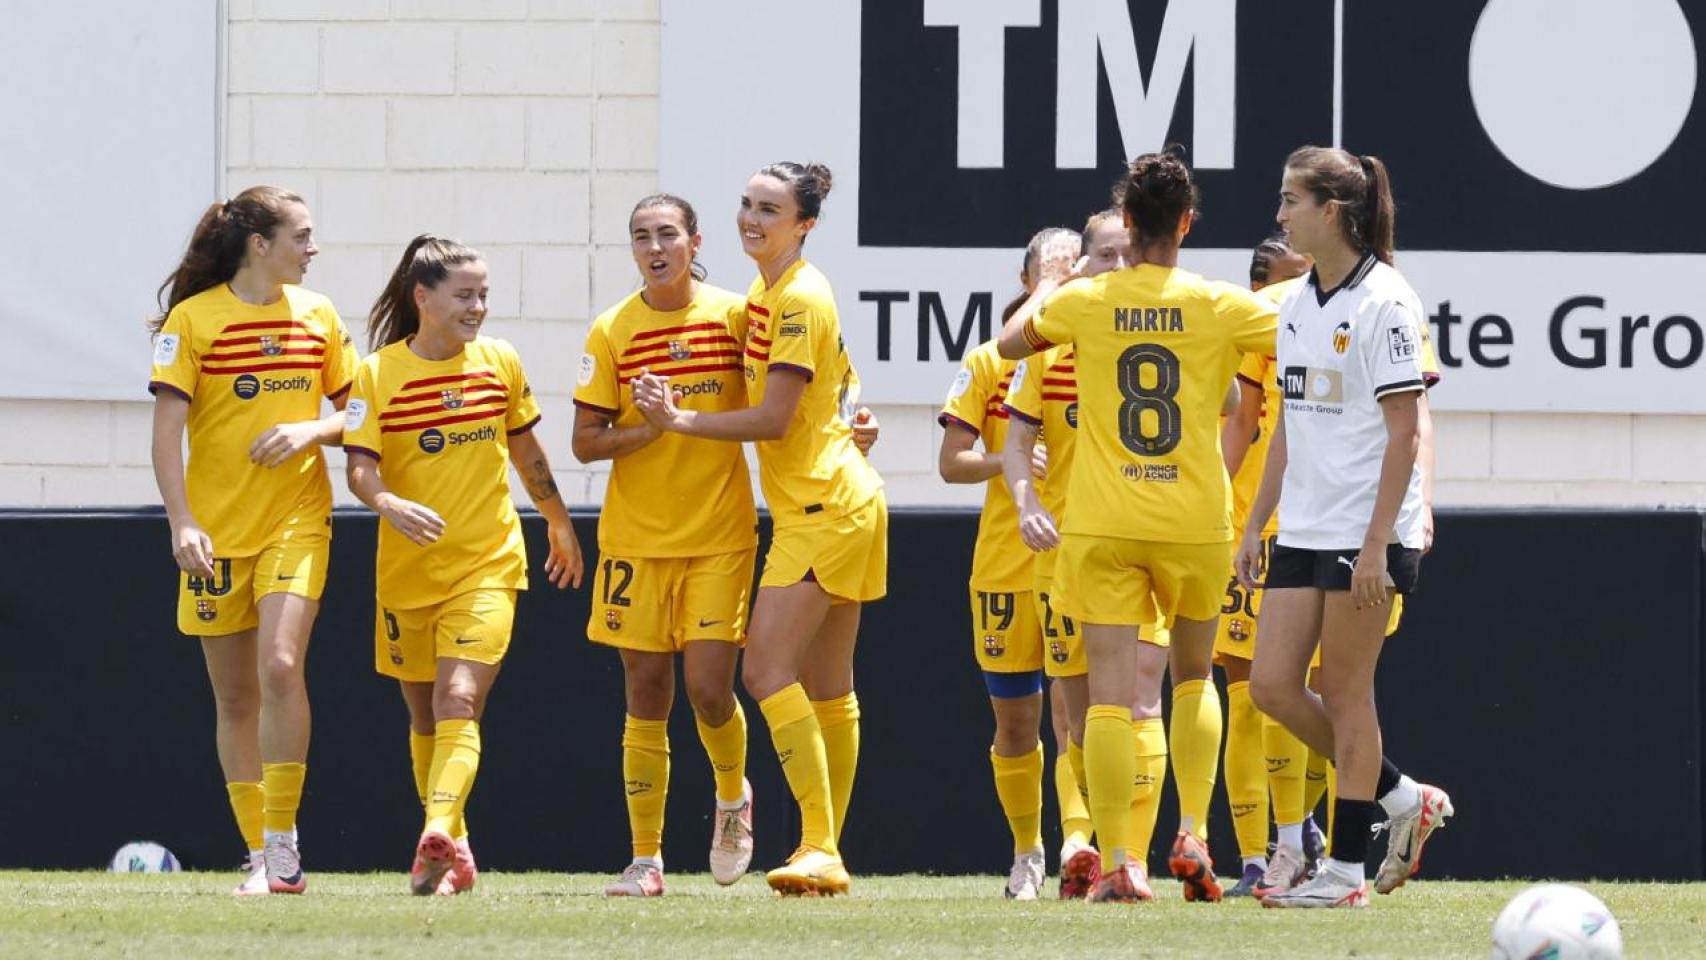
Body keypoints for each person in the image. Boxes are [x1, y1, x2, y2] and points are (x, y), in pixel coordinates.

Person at [998, 150, 1278, 903]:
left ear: (1126, 220)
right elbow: (1301, 333)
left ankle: (1122, 858)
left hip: (1103, 522)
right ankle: (1193, 826)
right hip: (1194, 520)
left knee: (1111, 701)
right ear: (1188, 222)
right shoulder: (1222, 304)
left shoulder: (1088, 304)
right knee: (1194, 678)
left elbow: (1009, 344)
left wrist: (1055, 279)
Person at [634, 162, 885, 897]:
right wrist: (852, 422)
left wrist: (680, 419)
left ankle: (820, 844)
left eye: (770, 209)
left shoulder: (800, 294)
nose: (753, 218)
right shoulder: (766, 292)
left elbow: (776, 417)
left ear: (804, 223)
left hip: (824, 510)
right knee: (829, 688)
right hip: (838, 500)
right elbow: (841, 384)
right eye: (746, 204)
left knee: (765, 672)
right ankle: (826, 845)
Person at [1239, 146, 1453, 909]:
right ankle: (1400, 797)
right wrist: (1255, 523)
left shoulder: (1387, 302)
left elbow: (1405, 433)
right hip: (1303, 524)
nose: (1280, 213)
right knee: (1270, 686)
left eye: (1291, 199)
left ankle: (1347, 876)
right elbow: (1289, 425)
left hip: (1368, 532)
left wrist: (1375, 546)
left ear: (1332, 210)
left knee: (1346, 690)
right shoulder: (1295, 302)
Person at [344, 235, 585, 896]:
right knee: (425, 718)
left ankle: (437, 832)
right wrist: (387, 501)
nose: (478, 307)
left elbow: (526, 450)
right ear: (423, 298)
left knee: (460, 700)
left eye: (484, 295)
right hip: (407, 574)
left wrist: (559, 521)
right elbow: (359, 467)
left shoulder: (500, 362)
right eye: (465, 295)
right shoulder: (376, 373)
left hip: (488, 563)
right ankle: (460, 849)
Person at [148, 185, 355, 896]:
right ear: (259, 245)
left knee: (279, 663)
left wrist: (312, 429)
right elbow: (167, 435)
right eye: (301, 235)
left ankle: (284, 843)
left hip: (296, 519)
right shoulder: (192, 320)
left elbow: (360, 410)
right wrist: (183, 522)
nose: (313, 248)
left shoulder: (319, 316)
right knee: (235, 699)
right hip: (215, 534)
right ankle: (258, 854)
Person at [572, 193, 760, 898]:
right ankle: (646, 858)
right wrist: (651, 428)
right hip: (634, 541)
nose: (655, 248)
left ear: (693, 241)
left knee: (710, 690)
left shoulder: (734, 315)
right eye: (642, 237)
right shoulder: (613, 329)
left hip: (717, 533)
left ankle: (733, 800)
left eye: (668, 235)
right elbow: (585, 442)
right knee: (646, 692)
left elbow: (779, 404)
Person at [1000, 209, 1142, 900]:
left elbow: (1227, 406)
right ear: (1083, 267)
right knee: (1075, 716)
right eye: (1103, 257)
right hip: (1065, 555)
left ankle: (1133, 853)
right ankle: (1080, 838)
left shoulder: (1160, 338)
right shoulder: (1052, 350)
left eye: (1126, 255)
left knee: (1140, 699)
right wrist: (1027, 503)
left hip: (1144, 547)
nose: (1115, 268)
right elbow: (1016, 442)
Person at [937, 226, 1079, 900]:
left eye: (1069, 266)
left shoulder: (1102, 351)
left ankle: (1087, 843)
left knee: (1075, 713)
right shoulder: (991, 361)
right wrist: (1008, 460)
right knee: (1016, 721)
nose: (1060, 277)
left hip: (1081, 560)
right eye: (1047, 269)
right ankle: (1028, 851)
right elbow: (949, 463)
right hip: (1003, 563)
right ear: (1027, 282)